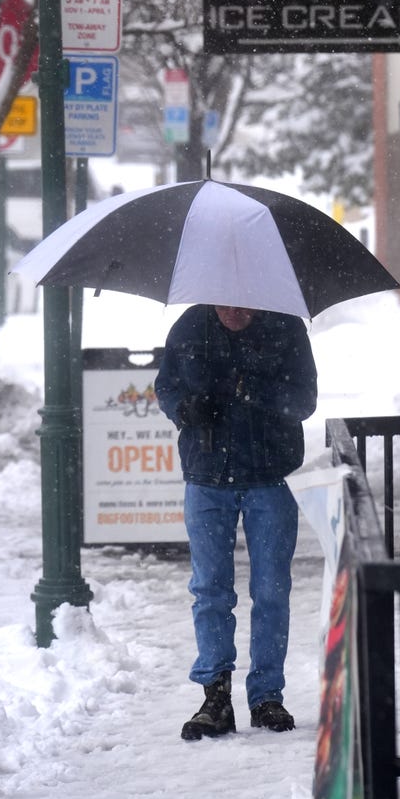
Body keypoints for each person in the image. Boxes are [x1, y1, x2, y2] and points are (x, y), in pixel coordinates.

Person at [155, 302, 318, 740]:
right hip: (206, 476)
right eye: (224, 302)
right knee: (209, 590)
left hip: (270, 477)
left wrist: (251, 389)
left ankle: (267, 696)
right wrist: (186, 409)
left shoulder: (285, 328)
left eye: (243, 304)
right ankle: (216, 695)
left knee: (271, 590)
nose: (233, 310)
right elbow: (166, 387)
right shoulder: (190, 326)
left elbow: (304, 401)